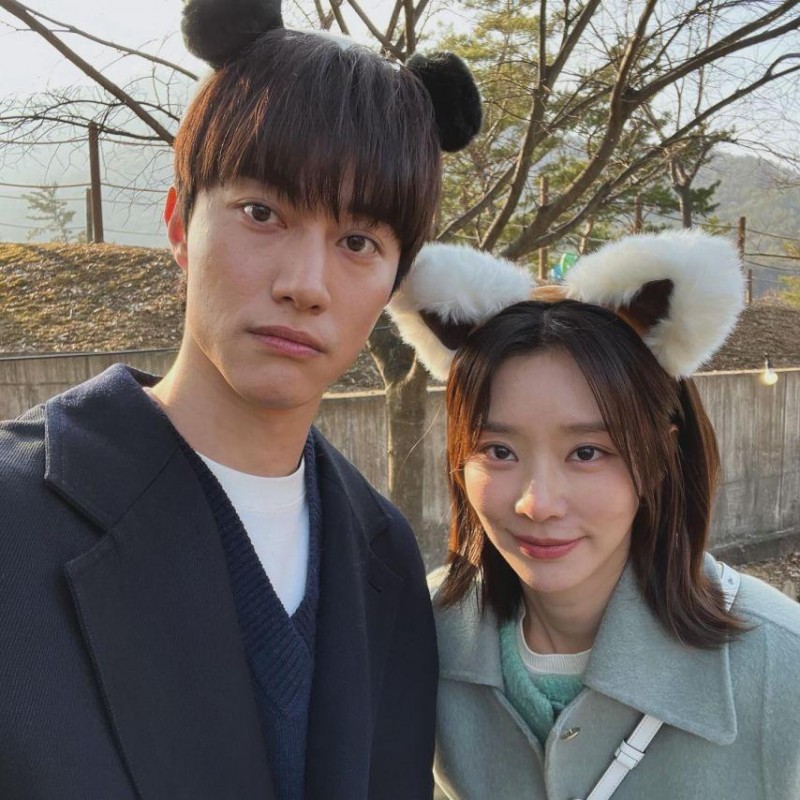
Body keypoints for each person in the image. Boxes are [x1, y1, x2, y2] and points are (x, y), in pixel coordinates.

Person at [0, 2, 481, 798]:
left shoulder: (384, 557)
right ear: (179, 226)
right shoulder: (17, 520)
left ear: (395, 280)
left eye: (358, 242)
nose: (305, 284)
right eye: (263, 214)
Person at [389, 230, 800, 799]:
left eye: (587, 453)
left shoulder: (783, 667)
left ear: (660, 455)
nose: (537, 503)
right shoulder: (419, 636)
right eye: (498, 451)